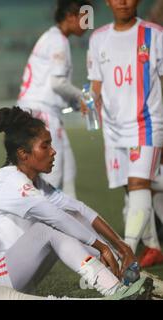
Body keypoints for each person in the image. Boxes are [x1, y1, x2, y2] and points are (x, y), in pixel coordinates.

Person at [0, 106, 154, 298]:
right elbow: (57, 219)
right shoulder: (10, 181)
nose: (53, 151)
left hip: (6, 272)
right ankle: (115, 290)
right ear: (22, 154)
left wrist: (122, 247)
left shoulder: (34, 182)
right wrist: (103, 248)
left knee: (70, 218)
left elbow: (79, 210)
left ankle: (123, 277)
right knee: (52, 226)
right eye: (45, 146)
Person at [86, 0, 163, 267]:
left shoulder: (154, 35)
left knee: (139, 184)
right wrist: (90, 102)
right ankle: (153, 245)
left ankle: (126, 252)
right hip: (113, 130)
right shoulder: (98, 39)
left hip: (148, 124)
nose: (122, 1)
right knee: (132, 189)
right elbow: (95, 84)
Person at [17, 0, 93, 198]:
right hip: (42, 113)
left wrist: (77, 103)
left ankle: (72, 223)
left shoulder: (53, 37)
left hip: (37, 110)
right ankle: (41, 224)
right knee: (53, 173)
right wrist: (84, 96)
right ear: (70, 16)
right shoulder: (58, 40)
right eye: (86, 18)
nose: (89, 23)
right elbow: (57, 83)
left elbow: (55, 85)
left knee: (68, 170)